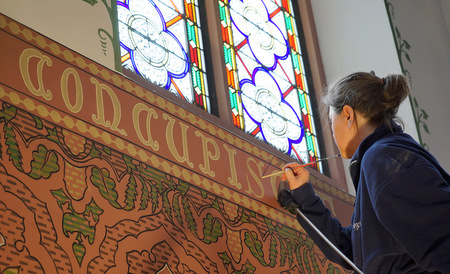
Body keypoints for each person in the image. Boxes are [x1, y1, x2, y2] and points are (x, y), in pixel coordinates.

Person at [281, 72, 450, 273]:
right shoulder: (380, 160)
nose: (333, 133)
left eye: (330, 120)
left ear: (348, 115)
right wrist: (304, 196)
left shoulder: (383, 158)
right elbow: (351, 250)